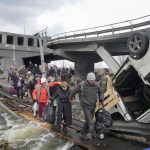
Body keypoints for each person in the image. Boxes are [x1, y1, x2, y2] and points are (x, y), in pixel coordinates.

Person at [69, 72, 104, 140]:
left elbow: (101, 92)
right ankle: (94, 138)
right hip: (85, 106)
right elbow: (73, 91)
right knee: (91, 123)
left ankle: (83, 132)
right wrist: (70, 98)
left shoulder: (96, 85)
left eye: (94, 80)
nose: (93, 81)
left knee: (88, 120)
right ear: (88, 80)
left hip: (93, 105)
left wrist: (101, 100)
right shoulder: (81, 85)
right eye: (92, 80)